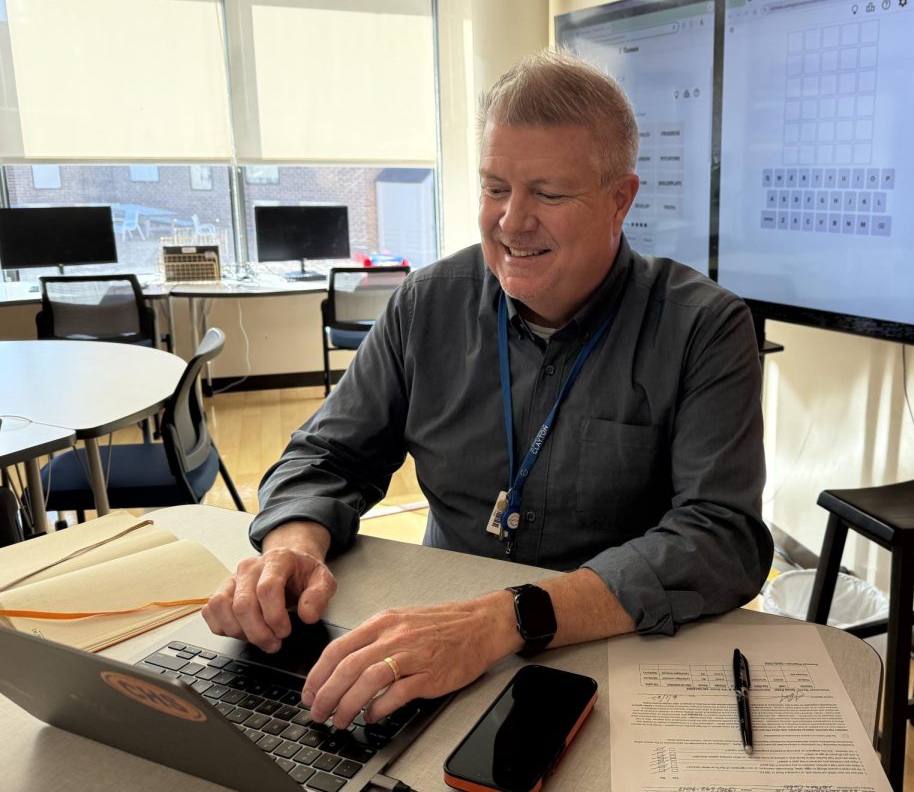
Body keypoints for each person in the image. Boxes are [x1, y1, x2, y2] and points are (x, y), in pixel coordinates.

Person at [201, 48, 771, 732]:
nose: (510, 222)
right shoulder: (427, 303)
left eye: (548, 194)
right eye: (495, 187)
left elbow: (721, 538)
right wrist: (291, 548)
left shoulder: (704, 326)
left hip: (615, 653)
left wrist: (503, 619)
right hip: (430, 646)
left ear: (620, 201)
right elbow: (327, 457)